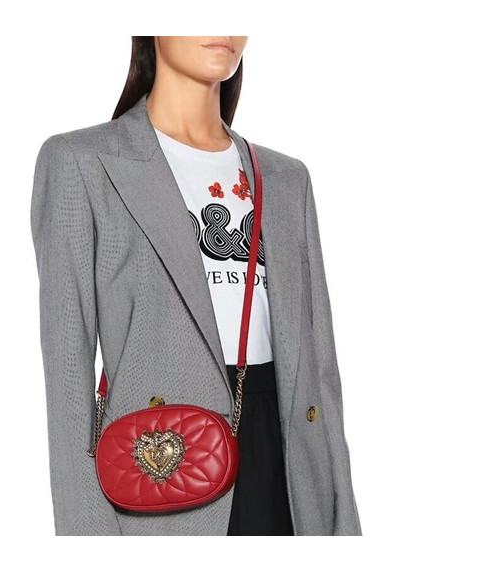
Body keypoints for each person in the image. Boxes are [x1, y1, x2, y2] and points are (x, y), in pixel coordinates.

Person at [30, 36, 362, 536]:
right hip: (163, 474)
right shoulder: (82, 162)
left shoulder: (287, 178)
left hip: (293, 480)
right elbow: (67, 387)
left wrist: (345, 525)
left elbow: (321, 373)